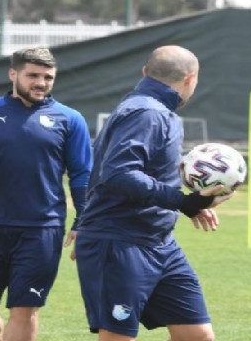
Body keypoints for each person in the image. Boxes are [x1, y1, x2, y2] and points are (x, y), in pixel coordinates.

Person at [74, 45, 234, 341]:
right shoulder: (146, 112)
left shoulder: (155, 110)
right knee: (118, 337)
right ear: (190, 78)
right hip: (121, 242)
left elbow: (107, 172)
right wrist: (183, 202)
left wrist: (191, 201)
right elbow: (118, 174)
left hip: (159, 242)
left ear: (145, 72)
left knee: (197, 335)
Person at [0, 46, 92, 341]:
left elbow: (82, 174)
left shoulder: (70, 119)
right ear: (13, 74)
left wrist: (83, 218)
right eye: (33, 75)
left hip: (41, 229)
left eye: (48, 77)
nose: (41, 83)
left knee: (25, 309)